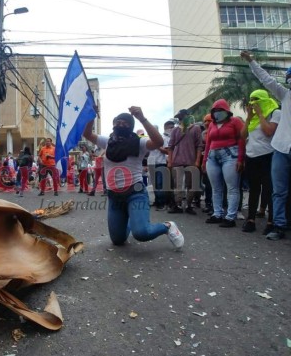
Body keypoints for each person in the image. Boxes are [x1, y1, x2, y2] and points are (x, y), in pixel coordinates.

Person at [83, 107, 184, 250]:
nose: (121, 125)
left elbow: (158, 142)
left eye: (125, 123)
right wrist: (91, 115)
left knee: (141, 233)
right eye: (118, 122)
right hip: (114, 197)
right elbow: (87, 134)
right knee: (118, 240)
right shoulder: (107, 142)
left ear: (131, 127)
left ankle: (167, 226)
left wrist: (142, 118)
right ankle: (133, 218)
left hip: (135, 194)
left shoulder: (139, 143)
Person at [241, 51, 291, 240]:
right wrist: (251, 61)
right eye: (288, 77)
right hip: (281, 148)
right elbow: (266, 79)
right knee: (278, 191)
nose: (289, 80)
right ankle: (279, 225)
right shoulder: (285, 96)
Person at [240, 89, 280, 234]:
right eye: (251, 100)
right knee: (254, 189)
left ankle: (271, 222)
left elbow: (268, 131)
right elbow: (243, 135)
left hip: (268, 156)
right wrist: (249, 117)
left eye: (256, 99)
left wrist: (261, 114)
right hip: (251, 157)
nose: (253, 102)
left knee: (269, 189)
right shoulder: (252, 116)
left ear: (264, 99)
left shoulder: (275, 113)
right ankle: (251, 220)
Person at [202, 99, 245, 228]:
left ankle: (230, 217)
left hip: (230, 155)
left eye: (220, 110)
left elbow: (241, 139)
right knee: (216, 188)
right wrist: (205, 160)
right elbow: (208, 143)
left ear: (226, 111)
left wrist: (241, 159)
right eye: (215, 111)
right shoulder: (212, 125)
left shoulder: (235, 121)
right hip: (212, 156)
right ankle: (217, 214)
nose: (217, 113)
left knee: (232, 187)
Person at [167, 109, 203, 215]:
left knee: (191, 185)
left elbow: (199, 146)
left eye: (183, 116)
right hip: (177, 161)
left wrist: (197, 161)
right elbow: (170, 147)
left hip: (191, 161)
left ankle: (189, 205)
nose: (181, 118)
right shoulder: (175, 130)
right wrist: (170, 161)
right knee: (178, 184)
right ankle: (177, 205)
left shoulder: (196, 128)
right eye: (180, 117)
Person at [148, 120, 174, 210]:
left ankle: (162, 203)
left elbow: (167, 151)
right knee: (155, 184)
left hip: (161, 163)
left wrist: (157, 146)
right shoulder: (147, 140)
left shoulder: (162, 139)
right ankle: (157, 201)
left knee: (160, 184)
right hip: (151, 163)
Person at [201, 114, 213, 215]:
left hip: (217, 161)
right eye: (205, 121)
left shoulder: (217, 131)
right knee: (207, 185)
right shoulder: (203, 133)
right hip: (206, 161)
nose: (206, 123)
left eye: (208, 121)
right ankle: (208, 204)